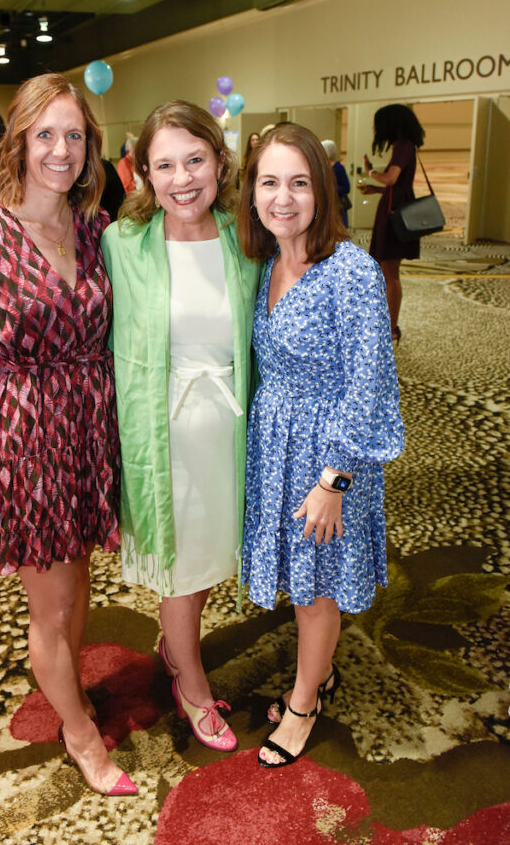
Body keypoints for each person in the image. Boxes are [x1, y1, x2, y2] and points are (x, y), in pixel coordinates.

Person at [0, 74, 135, 798]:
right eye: (46, 134)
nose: (61, 150)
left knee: (77, 576)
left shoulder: (93, 227)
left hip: (89, 426)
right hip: (23, 434)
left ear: (91, 147)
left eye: (75, 135)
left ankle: (70, 693)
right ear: (19, 140)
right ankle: (79, 731)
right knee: (48, 602)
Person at [238, 123, 403, 770]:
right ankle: (321, 673)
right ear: (252, 191)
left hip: (332, 455)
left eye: (299, 182)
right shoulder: (268, 263)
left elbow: (370, 386)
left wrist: (334, 480)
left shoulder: (352, 271)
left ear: (322, 192)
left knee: (316, 588)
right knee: (302, 579)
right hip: (277, 442)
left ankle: (304, 703)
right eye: (270, 182)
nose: (283, 197)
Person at [102, 101, 259, 752]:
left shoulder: (243, 236)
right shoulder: (124, 243)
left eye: (194, 159)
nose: (181, 177)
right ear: (142, 172)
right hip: (161, 431)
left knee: (212, 556)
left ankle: (175, 643)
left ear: (219, 161)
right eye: (163, 164)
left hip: (228, 424)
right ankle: (189, 680)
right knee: (182, 563)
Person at [357, 103, 425, 343]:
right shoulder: (405, 146)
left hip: (395, 218)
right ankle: (389, 324)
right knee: (387, 271)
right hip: (393, 212)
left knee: (390, 273)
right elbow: (397, 186)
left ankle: (391, 328)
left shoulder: (403, 147)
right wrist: (376, 189)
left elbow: (392, 178)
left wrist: (371, 172)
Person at [321, 139, 351, 228]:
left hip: (337, 206)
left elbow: (346, 188)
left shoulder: (339, 168)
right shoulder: (322, 167)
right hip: (325, 204)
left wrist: (329, 189)